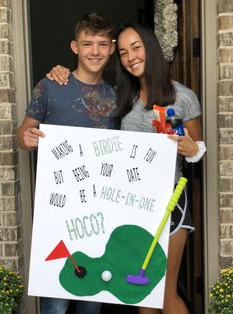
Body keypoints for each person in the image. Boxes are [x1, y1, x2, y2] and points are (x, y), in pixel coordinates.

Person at [46, 22, 206, 314]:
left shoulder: (181, 97)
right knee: (143, 299)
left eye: (136, 47)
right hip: (133, 207)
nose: (131, 56)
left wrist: (192, 148)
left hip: (170, 202)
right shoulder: (121, 98)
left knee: (166, 295)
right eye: (122, 52)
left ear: (150, 48)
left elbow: (198, 149)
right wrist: (62, 73)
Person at [17, 12, 116, 314]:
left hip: (100, 213)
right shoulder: (49, 86)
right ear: (75, 47)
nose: (95, 52)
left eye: (102, 44)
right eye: (88, 44)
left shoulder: (117, 96)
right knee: (55, 304)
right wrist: (27, 138)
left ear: (112, 48)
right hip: (57, 213)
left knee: (91, 304)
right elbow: (22, 133)